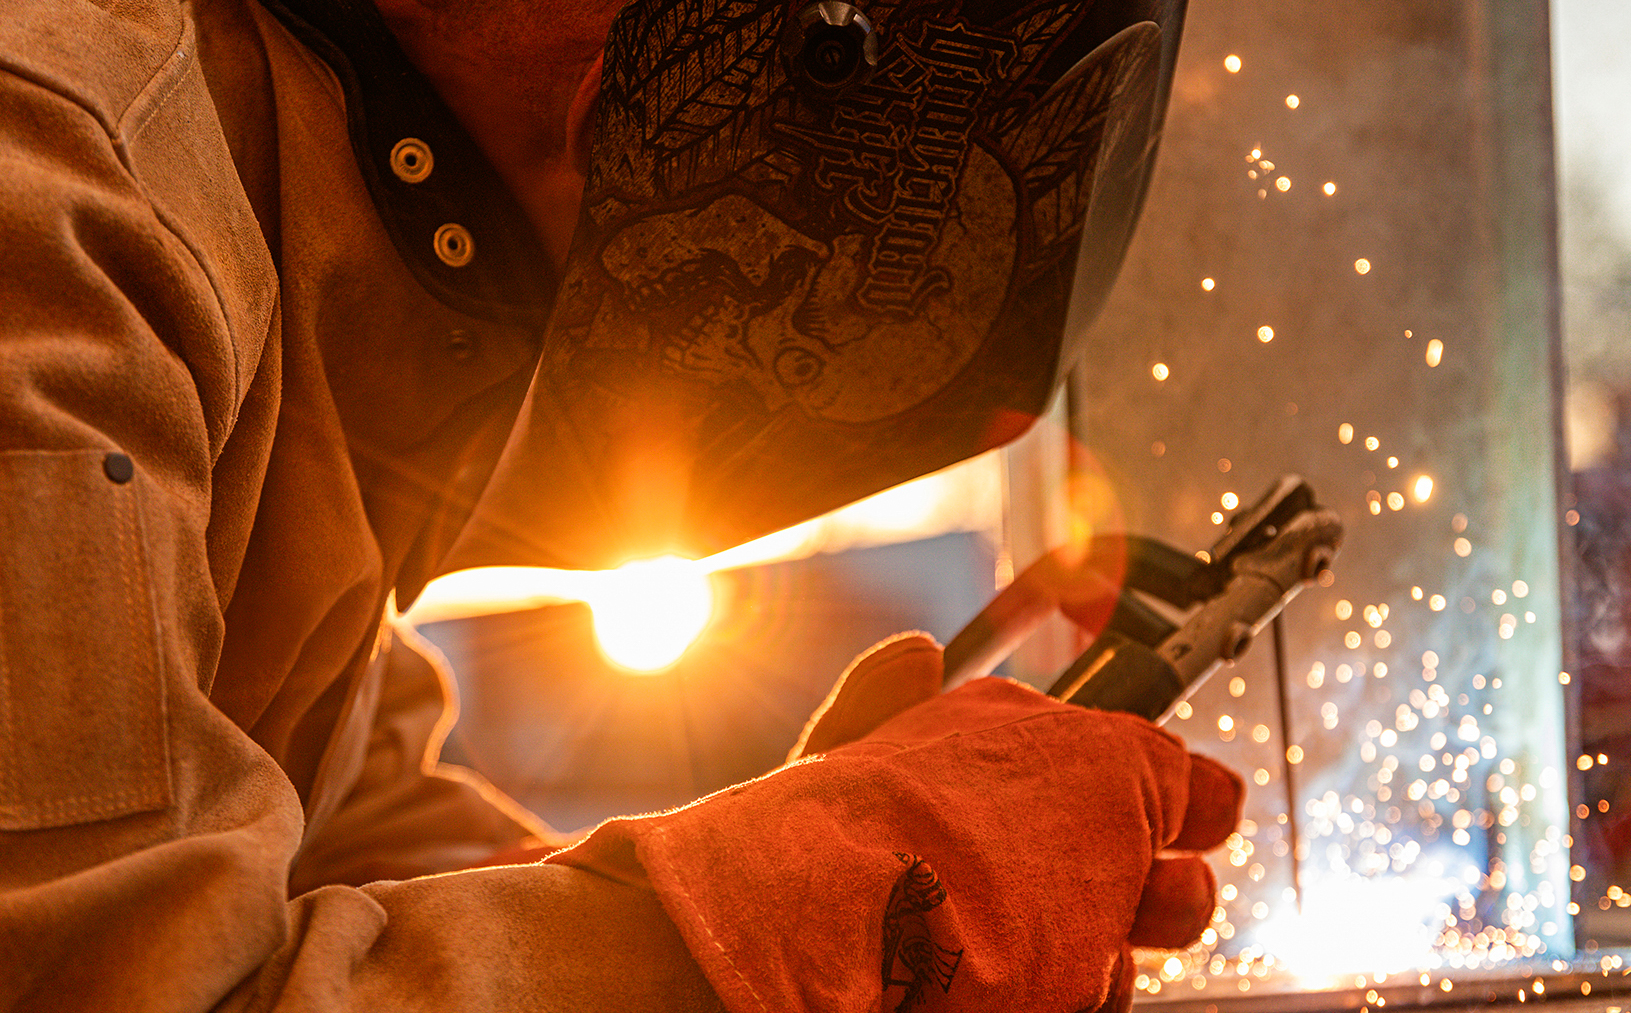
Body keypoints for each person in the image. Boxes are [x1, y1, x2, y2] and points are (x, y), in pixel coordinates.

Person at [0, 0, 1244, 1008]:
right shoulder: (62, 198)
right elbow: (141, 985)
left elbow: (348, 829)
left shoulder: (353, 224)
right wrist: (769, 922)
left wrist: (788, 846)